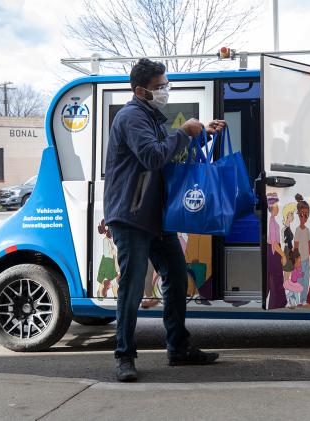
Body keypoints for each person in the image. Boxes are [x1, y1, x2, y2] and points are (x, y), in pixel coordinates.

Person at [104, 58, 226, 382]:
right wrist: (184, 132)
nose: (165, 90)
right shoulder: (131, 116)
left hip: (155, 216)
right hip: (131, 216)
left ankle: (178, 348)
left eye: (165, 85)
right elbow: (153, 155)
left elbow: (169, 153)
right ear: (140, 90)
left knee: (175, 274)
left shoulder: (152, 118)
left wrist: (200, 135)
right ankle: (124, 357)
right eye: (160, 86)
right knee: (131, 288)